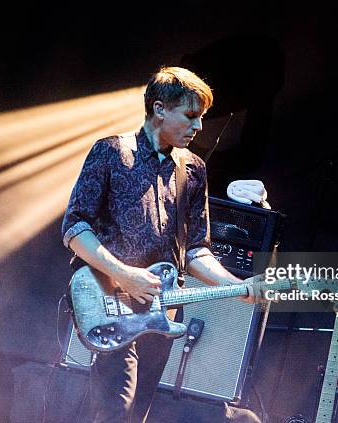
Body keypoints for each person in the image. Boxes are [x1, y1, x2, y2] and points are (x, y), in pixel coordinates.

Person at [61, 66, 262, 423]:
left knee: (136, 414)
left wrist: (236, 286)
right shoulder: (110, 152)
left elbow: (196, 250)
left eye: (200, 118)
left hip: (164, 310)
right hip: (112, 301)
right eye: (190, 116)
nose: (198, 127)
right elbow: (75, 228)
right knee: (115, 411)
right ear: (158, 109)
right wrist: (124, 275)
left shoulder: (194, 169)